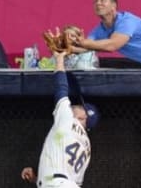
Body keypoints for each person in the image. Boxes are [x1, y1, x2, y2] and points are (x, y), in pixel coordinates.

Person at [20, 46, 99, 188]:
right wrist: (37, 179)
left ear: (84, 118)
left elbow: (61, 88)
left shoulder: (68, 119)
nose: (77, 106)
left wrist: (60, 59)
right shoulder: (87, 147)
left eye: (82, 108)